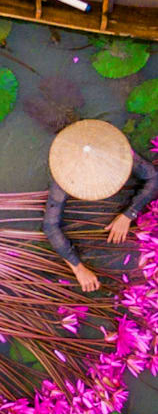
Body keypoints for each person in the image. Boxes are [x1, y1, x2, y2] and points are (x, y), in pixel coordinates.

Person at [45, 119, 158, 292]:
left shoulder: (118, 152)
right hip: (71, 142)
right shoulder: (63, 176)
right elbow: (50, 226)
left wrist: (129, 214)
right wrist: (78, 268)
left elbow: (154, 178)